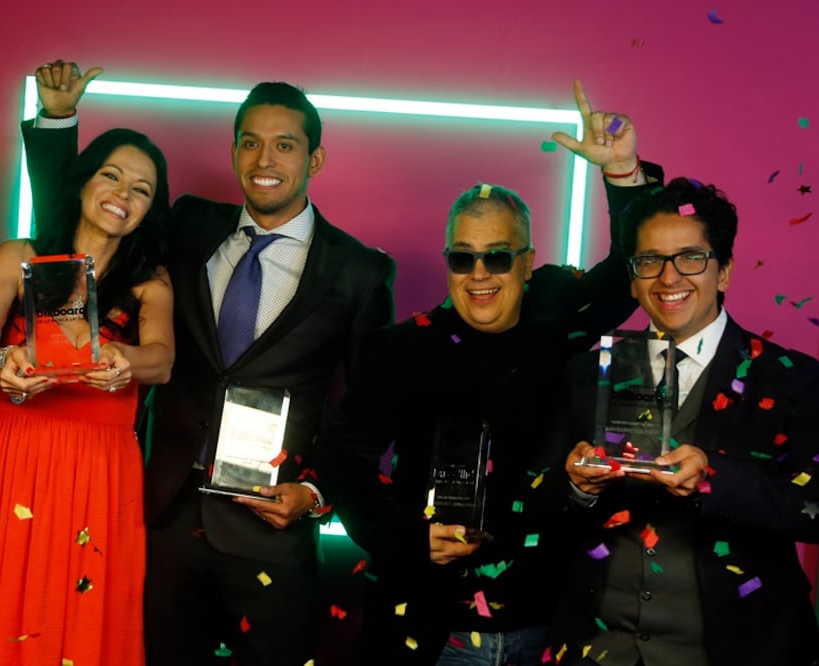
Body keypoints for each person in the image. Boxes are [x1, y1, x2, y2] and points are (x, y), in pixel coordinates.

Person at [23, 60, 395, 665]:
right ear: (233, 151)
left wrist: (315, 491)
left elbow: (368, 409)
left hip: (271, 528)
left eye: (284, 145)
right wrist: (58, 121)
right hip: (165, 515)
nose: (264, 160)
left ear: (315, 160)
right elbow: (82, 228)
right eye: (250, 143)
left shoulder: (359, 271)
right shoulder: (192, 225)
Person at [313, 81, 663, 665]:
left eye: (498, 255)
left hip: (549, 621)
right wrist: (406, 538)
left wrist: (623, 174)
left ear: (527, 263)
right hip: (429, 625)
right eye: (462, 256)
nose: (480, 273)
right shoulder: (401, 349)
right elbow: (341, 455)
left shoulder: (560, 315)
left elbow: (627, 275)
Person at [552, 178, 819, 666]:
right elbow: (546, 512)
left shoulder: (795, 380)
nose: (668, 278)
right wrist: (578, 488)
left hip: (738, 650)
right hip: (600, 650)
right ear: (633, 279)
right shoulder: (587, 373)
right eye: (650, 261)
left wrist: (714, 477)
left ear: (724, 272)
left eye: (690, 258)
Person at [0, 127, 175, 665]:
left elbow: (161, 359)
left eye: (142, 188)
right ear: (82, 183)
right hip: (12, 463)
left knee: (89, 622)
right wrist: (6, 362)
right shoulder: (21, 257)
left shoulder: (149, 280)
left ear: (150, 208)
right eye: (111, 175)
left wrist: (126, 361)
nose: (123, 194)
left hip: (102, 474)